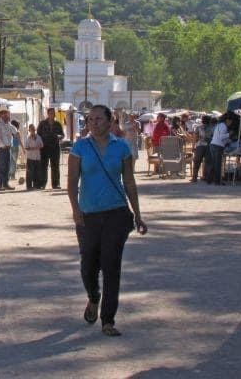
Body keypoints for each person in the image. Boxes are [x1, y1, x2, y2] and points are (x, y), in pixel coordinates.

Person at [67, 104, 147, 337]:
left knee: (112, 266)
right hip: (88, 214)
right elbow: (72, 182)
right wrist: (75, 210)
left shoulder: (121, 147)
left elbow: (129, 182)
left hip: (116, 213)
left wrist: (138, 214)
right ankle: (94, 297)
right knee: (88, 265)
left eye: (98, 119)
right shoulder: (80, 147)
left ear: (111, 121)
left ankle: (108, 320)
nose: (93, 123)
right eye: (90, 119)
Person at [37, 107, 64, 189]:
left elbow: (62, 135)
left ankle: (56, 184)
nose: (53, 114)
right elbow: (38, 135)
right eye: (51, 113)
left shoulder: (58, 124)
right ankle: (42, 184)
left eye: (53, 113)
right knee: (43, 166)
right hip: (44, 147)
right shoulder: (42, 123)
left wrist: (59, 136)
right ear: (48, 114)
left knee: (55, 166)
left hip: (55, 147)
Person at [0, 105, 17, 191]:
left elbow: (15, 131)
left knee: (7, 166)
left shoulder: (8, 124)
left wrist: (9, 123)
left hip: (8, 148)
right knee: (1, 167)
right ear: (0, 115)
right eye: (3, 113)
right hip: (2, 149)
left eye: (6, 113)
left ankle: (5, 183)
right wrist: (3, 146)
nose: (5, 115)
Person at [208, 114, 232, 184]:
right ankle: (217, 181)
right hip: (218, 146)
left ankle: (209, 179)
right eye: (230, 121)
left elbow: (219, 137)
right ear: (227, 120)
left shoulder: (219, 125)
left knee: (214, 163)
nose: (230, 123)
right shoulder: (224, 126)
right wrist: (229, 134)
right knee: (217, 164)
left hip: (213, 144)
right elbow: (221, 137)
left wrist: (228, 140)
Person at [191, 115, 213, 183]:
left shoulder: (198, 127)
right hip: (209, 146)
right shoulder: (212, 128)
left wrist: (193, 146)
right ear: (209, 121)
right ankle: (207, 177)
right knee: (208, 162)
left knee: (197, 162)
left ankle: (194, 178)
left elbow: (195, 137)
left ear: (202, 120)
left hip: (200, 146)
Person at [23, 123, 44, 190]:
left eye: (33, 129)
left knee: (37, 172)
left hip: (37, 157)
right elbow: (26, 147)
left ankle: (37, 185)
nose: (33, 130)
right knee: (30, 172)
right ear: (29, 130)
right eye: (31, 129)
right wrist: (33, 148)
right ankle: (29, 186)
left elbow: (42, 145)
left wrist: (38, 147)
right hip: (30, 157)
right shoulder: (27, 138)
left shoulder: (39, 137)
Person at [9, 119, 25, 186]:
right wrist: (23, 148)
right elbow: (20, 141)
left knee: (11, 161)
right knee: (14, 162)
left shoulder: (10, 132)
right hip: (15, 148)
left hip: (10, 147)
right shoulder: (17, 132)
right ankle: (12, 175)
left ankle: (10, 175)